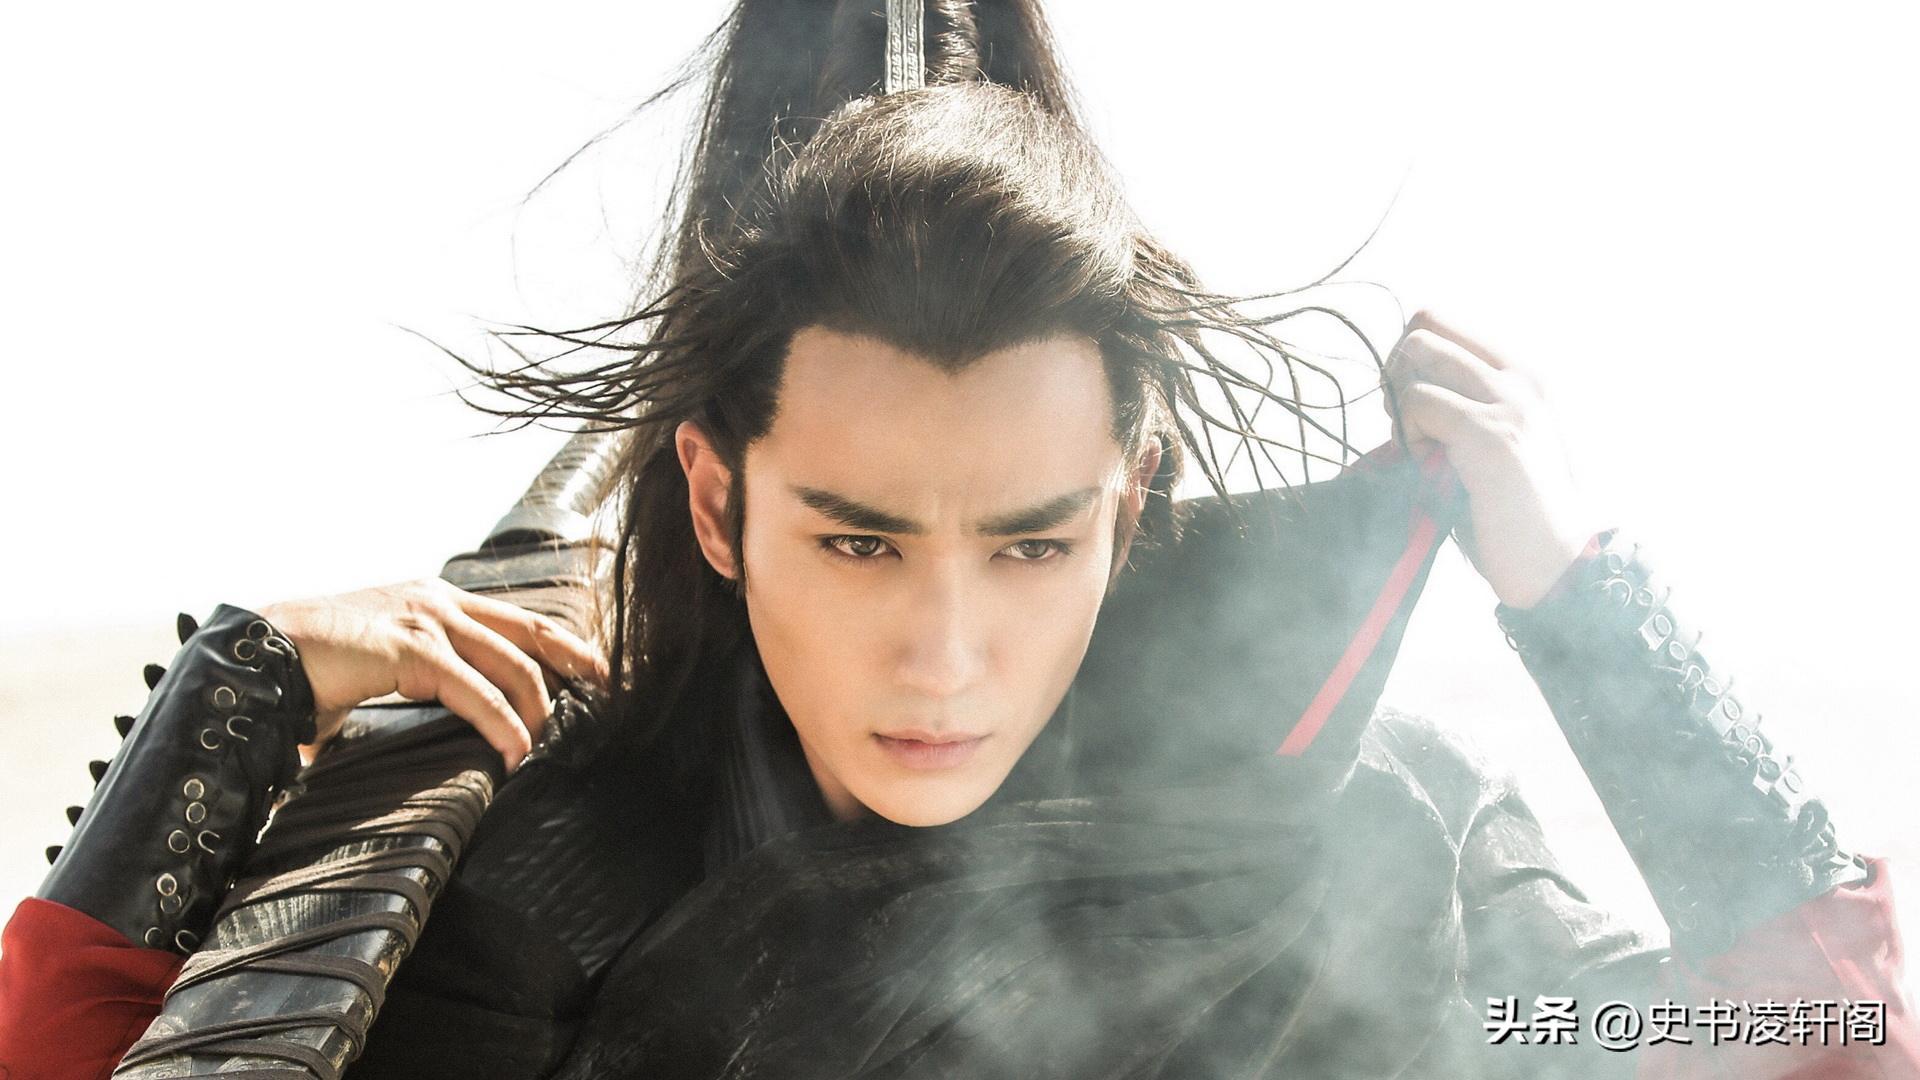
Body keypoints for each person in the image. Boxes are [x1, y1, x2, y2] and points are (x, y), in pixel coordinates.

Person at [1, 1, 1913, 1077]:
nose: (945, 654)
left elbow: (1805, 1040)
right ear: (717, 499)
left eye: (1028, 545)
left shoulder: (1374, 830)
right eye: (858, 546)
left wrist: (1582, 603)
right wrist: (235, 706)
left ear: (1126, 502)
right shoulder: (535, 885)